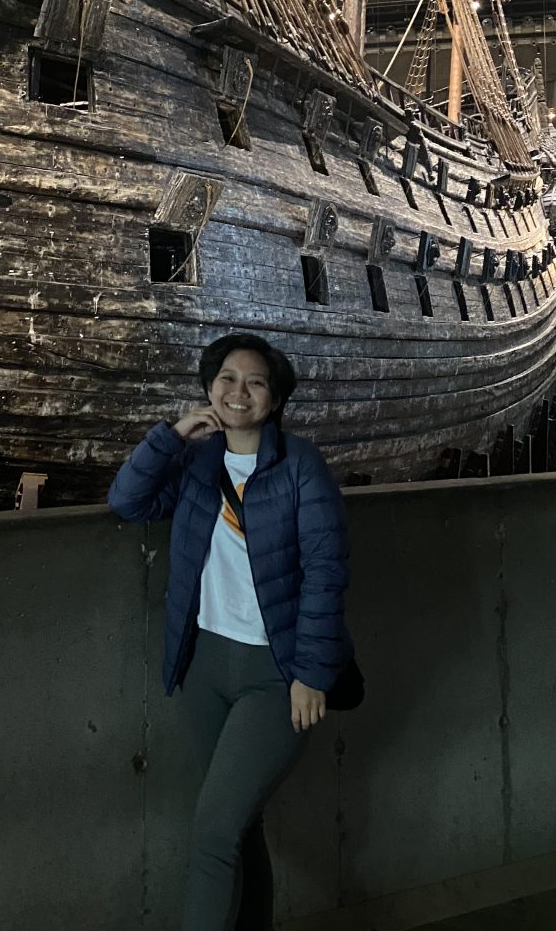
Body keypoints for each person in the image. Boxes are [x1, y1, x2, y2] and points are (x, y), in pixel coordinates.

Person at [108, 333, 351, 931]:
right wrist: (171, 436)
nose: (239, 392)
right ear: (209, 388)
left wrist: (310, 675)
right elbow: (127, 502)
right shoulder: (198, 462)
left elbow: (326, 571)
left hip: (275, 674)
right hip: (204, 667)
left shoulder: (300, 466)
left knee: (214, 833)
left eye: (256, 382)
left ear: (275, 399)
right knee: (242, 824)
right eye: (227, 379)